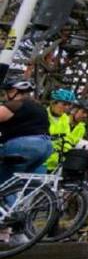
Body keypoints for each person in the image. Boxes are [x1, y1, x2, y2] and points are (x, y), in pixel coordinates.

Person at [0, 73, 52, 245]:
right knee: (20, 191)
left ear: (15, 91)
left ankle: (11, 220)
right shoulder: (39, 107)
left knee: (4, 184)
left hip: (24, 145)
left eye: (7, 91)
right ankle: (18, 234)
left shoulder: (14, 105)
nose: (5, 95)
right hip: (44, 148)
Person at [43, 88, 78, 172]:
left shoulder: (65, 118)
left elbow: (67, 138)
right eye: (64, 104)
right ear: (53, 103)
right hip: (41, 162)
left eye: (69, 105)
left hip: (56, 165)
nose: (66, 108)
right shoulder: (42, 115)